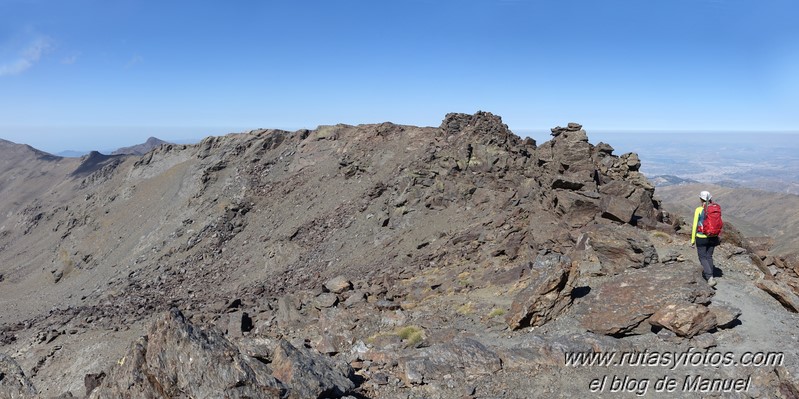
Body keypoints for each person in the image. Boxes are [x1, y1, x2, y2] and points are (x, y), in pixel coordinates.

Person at [691, 190, 720, 287]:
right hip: (713, 236)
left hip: (701, 237)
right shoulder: (715, 209)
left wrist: (692, 240)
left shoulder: (699, 210)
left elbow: (695, 225)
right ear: (710, 198)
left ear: (700, 199)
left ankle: (709, 277)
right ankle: (710, 274)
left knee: (702, 257)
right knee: (709, 256)